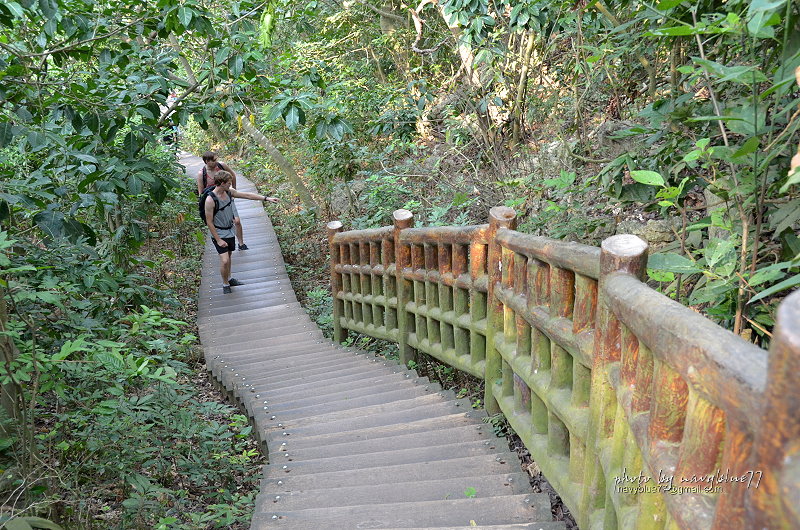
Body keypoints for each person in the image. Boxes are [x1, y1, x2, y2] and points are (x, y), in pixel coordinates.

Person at [204, 171, 278, 294]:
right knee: (225, 260)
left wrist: (266, 198)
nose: (231, 185)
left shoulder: (228, 192)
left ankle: (229, 278)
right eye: (228, 183)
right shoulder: (210, 200)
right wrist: (218, 239)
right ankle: (225, 284)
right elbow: (209, 222)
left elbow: (247, 195)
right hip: (219, 232)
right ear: (221, 183)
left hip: (230, 230)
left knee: (229, 255)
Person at [197, 151, 249, 250]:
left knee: (237, 221)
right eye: (214, 160)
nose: (216, 161)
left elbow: (232, 175)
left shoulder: (221, 166)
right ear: (207, 161)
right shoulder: (202, 174)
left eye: (216, 159)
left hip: (226, 196)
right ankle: (221, 243)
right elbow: (201, 192)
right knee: (216, 223)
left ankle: (241, 243)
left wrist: (233, 190)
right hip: (214, 202)